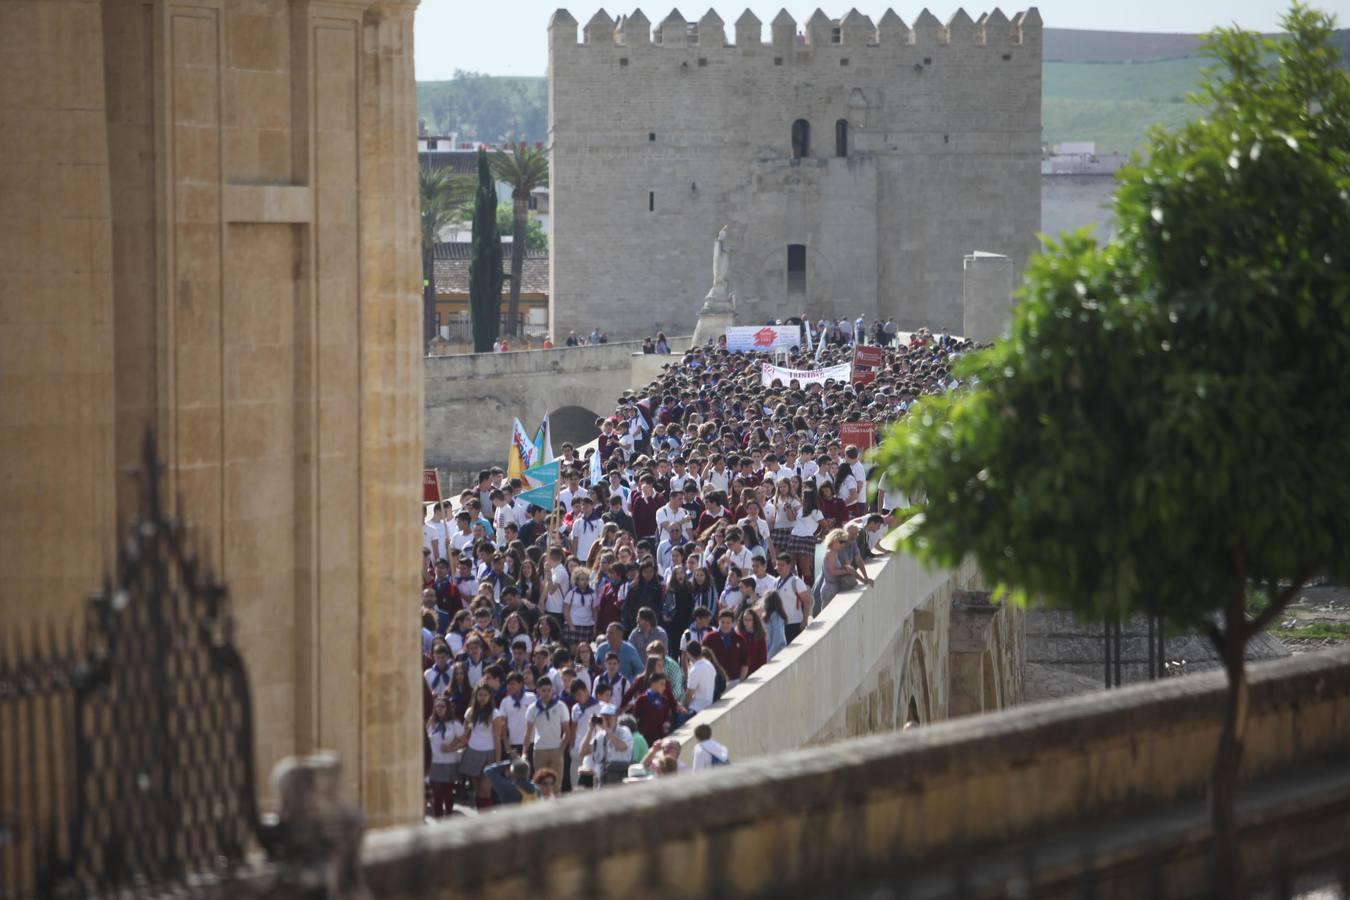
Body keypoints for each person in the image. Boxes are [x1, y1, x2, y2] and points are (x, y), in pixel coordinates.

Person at [426, 696, 466, 818]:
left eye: (442, 706)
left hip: (449, 762)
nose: (439, 709)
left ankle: (448, 816)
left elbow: (463, 740)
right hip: (435, 761)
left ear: (448, 708)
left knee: (447, 792)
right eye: (437, 706)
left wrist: (451, 748)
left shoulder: (454, 723)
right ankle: (438, 819)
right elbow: (426, 740)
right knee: (436, 794)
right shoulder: (432, 722)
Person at [462, 684, 500, 809]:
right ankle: (481, 817)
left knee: (486, 791)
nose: (482, 698)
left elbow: (497, 738)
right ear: (476, 696)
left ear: (490, 697)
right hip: (473, 752)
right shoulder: (470, 712)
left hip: (489, 753)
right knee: (478, 791)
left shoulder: (495, 713)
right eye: (480, 695)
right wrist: (453, 747)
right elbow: (464, 734)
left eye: (485, 695)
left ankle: (488, 818)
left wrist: (498, 762)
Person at [523, 678, 567, 779]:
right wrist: (524, 752)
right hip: (539, 750)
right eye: (543, 690)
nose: (547, 693)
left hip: (556, 748)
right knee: (540, 783)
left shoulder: (560, 706)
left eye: (549, 690)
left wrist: (561, 749)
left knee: (556, 785)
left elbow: (567, 731)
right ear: (538, 690)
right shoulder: (533, 708)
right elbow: (528, 732)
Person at [581, 703, 632, 789]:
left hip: (619, 778)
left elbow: (623, 747)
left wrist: (607, 730)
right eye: (603, 718)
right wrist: (590, 729)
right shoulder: (600, 735)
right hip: (602, 780)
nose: (606, 721)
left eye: (608, 718)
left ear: (616, 718)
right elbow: (583, 751)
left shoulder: (624, 731)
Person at [773, 554, 813, 643]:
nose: (779, 567)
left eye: (782, 565)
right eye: (777, 565)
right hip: (780, 624)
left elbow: (807, 601)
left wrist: (804, 620)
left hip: (794, 623)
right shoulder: (775, 582)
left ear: (789, 565)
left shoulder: (796, 581)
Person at [684, 641, 717, 714]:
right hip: (709, 704)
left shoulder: (695, 669)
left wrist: (684, 707)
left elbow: (689, 694)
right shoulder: (710, 666)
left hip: (697, 709)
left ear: (689, 654)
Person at [737, 608, 768, 676]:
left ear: (754, 621)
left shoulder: (759, 635)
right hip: (742, 673)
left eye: (750, 620)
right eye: (745, 619)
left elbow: (763, 656)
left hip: (756, 671)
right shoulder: (738, 635)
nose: (747, 622)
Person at [762, 590, 789, 660]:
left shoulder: (776, 617)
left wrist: (769, 656)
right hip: (770, 652)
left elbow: (777, 638)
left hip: (775, 654)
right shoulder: (771, 616)